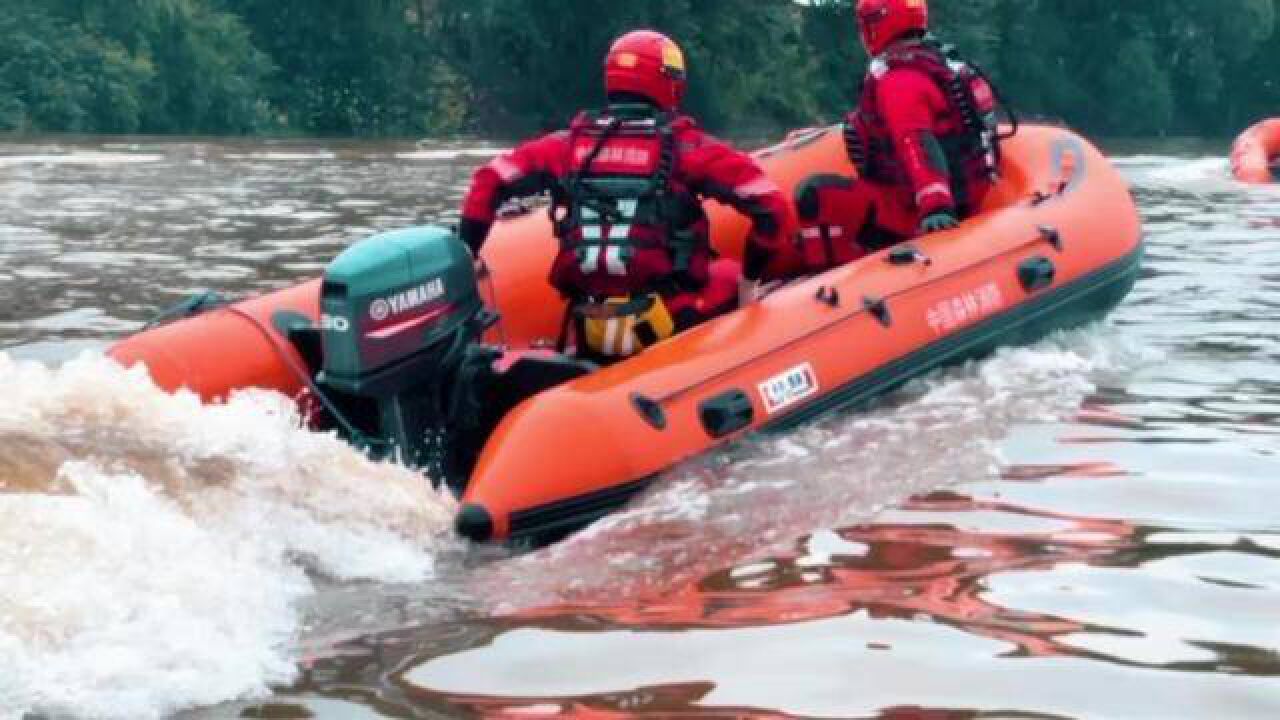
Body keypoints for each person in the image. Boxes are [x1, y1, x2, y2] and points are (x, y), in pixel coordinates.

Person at [459, 30, 791, 361]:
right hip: (666, 322)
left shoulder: (564, 146)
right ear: (669, 82)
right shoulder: (688, 147)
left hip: (591, 327)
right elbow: (773, 209)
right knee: (729, 273)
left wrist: (469, 253)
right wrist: (750, 283)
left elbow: (487, 182)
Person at [790, 0, 1009, 273]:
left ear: (878, 24)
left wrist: (935, 206)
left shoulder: (898, 81)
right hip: (965, 193)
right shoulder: (935, 60)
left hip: (912, 208)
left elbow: (915, 141)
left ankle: (827, 283)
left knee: (813, 194)